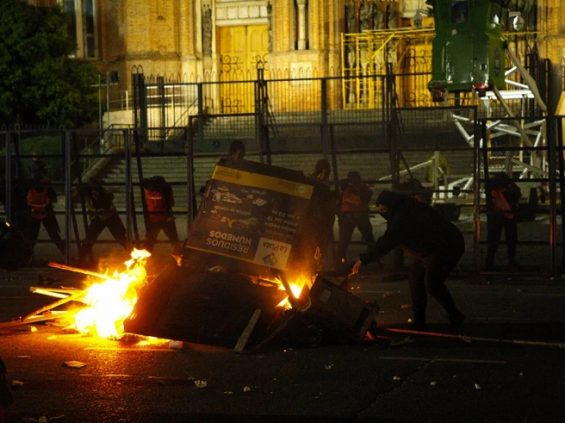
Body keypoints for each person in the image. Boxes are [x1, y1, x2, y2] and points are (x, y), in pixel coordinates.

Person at [350, 190, 465, 332]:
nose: (382, 213)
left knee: (432, 283)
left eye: (383, 210)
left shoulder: (404, 215)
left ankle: (455, 316)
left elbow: (389, 239)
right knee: (416, 280)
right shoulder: (401, 210)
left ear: (390, 206)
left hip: (447, 245)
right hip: (428, 249)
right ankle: (419, 324)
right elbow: (389, 236)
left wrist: (364, 259)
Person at [79, 182, 129, 266]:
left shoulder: (104, 194)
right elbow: (90, 206)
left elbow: (109, 205)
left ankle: (134, 255)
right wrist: (95, 211)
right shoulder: (89, 196)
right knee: (89, 239)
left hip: (110, 216)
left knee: (121, 238)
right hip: (99, 217)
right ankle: (81, 260)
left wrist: (98, 211)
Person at [337, 171, 375, 266]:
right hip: (348, 217)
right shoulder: (347, 190)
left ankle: (374, 259)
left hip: (360, 216)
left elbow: (365, 198)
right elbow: (358, 200)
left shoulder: (362, 189)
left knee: (369, 239)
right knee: (344, 241)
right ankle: (340, 262)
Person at [485, 172, 522, 271]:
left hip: (497, 215)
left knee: (494, 239)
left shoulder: (492, 188)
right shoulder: (510, 189)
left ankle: (489, 262)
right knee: (510, 238)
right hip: (508, 214)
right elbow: (517, 194)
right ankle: (510, 261)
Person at [24, 177, 65, 257]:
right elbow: (54, 198)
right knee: (32, 236)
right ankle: (28, 257)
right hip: (36, 214)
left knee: (53, 234)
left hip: (44, 213)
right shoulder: (31, 187)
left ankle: (65, 253)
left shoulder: (44, 188)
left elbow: (53, 197)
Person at [143, 175, 181, 253]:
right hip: (166, 217)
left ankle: (142, 260)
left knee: (149, 242)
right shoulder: (166, 189)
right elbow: (172, 203)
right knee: (174, 240)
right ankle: (179, 259)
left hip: (152, 217)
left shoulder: (147, 189)